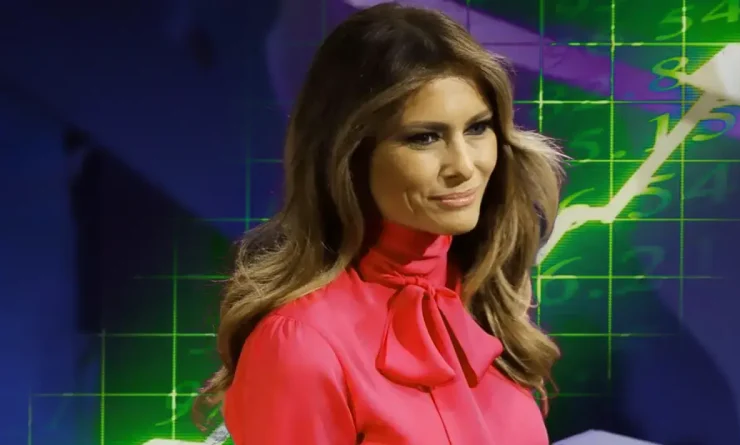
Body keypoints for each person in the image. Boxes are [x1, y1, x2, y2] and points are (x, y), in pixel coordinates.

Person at [195, 3, 564, 444]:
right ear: (350, 155)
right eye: (424, 137)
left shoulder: (483, 298)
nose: (465, 166)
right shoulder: (299, 345)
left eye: (477, 128)